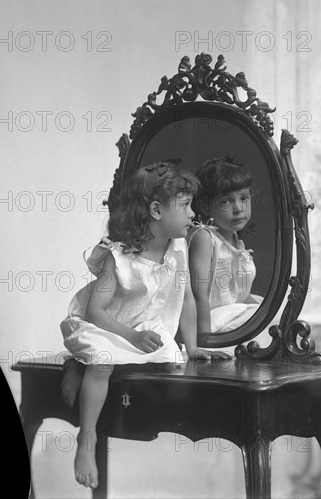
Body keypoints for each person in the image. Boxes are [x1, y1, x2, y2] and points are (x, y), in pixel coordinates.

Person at [60, 160, 230, 489]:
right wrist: (132, 336)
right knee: (103, 360)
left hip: (144, 329)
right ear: (155, 210)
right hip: (109, 326)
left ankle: (77, 366)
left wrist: (192, 347)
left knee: (164, 357)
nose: (193, 214)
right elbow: (96, 311)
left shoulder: (179, 247)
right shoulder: (119, 256)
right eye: (185, 206)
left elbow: (187, 299)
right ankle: (87, 438)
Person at [188, 155, 262, 334]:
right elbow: (199, 295)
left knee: (279, 313)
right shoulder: (204, 237)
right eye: (226, 201)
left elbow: (236, 294)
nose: (238, 208)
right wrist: (206, 340)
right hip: (211, 320)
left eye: (244, 198)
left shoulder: (235, 238)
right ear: (206, 207)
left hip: (233, 313)